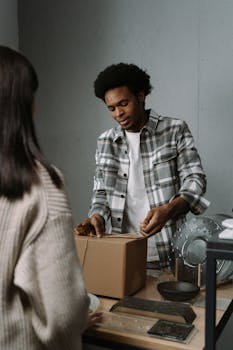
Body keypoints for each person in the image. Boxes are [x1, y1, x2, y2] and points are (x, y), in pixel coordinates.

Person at [0, 46, 101, 350]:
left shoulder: (175, 130)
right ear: (25, 105)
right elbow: (64, 314)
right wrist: (79, 321)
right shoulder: (41, 185)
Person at [76, 63, 210, 268]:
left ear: (140, 96)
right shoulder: (105, 142)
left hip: (170, 250)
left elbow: (195, 179)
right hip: (124, 251)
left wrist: (168, 210)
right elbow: (101, 193)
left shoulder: (174, 130)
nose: (118, 113)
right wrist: (97, 217)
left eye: (123, 104)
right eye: (111, 108)